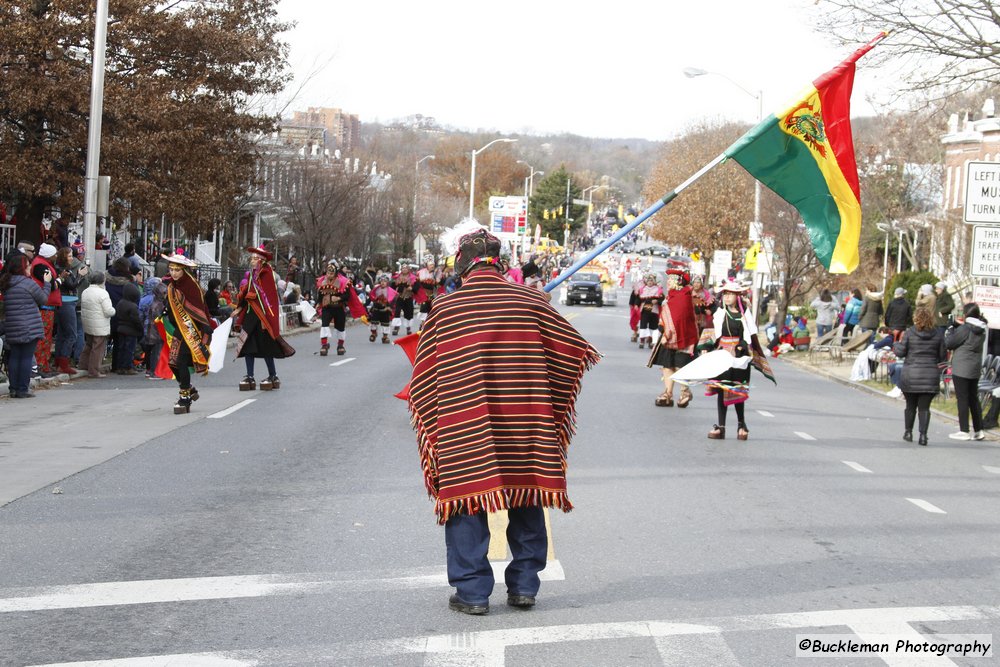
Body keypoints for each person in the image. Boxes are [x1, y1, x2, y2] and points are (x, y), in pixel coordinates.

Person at [407, 228, 600, 615]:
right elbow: (573, 351)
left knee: (466, 498)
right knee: (527, 493)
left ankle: (473, 593)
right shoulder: (530, 301)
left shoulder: (446, 308)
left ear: (461, 263)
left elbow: (424, 376)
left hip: (467, 419)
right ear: (502, 261)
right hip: (526, 419)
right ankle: (525, 586)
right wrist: (539, 311)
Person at [707, 281, 774, 441]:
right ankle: (721, 426)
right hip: (722, 356)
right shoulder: (720, 314)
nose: (727, 297)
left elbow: (749, 337)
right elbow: (712, 333)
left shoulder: (745, 316)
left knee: (737, 391)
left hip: (739, 358)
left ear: (737, 297)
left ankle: (741, 424)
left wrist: (740, 348)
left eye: (730, 294)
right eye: (725, 294)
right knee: (722, 389)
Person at [232, 245, 295, 391]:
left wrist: (251, 297)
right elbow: (246, 292)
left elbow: (267, 296)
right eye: (252, 259)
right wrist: (239, 307)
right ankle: (249, 376)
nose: (252, 261)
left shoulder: (266, 273)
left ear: (261, 260)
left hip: (262, 316)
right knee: (247, 346)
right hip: (250, 314)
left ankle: (273, 375)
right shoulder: (252, 275)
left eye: (255, 259)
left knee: (267, 346)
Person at [162, 253, 213, 413]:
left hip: (192, 329)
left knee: (181, 361)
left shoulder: (191, 285)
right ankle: (189, 388)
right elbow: (171, 307)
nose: (174, 273)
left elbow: (199, 308)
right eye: (171, 269)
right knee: (173, 362)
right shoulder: (171, 286)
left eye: (177, 270)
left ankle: (184, 398)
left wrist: (204, 327)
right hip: (179, 327)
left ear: (184, 270)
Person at [893, 307, 946, 446]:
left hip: (911, 374)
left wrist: (895, 344)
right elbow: (942, 356)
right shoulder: (938, 334)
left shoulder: (910, 332)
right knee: (924, 408)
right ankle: (923, 435)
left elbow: (901, 352)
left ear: (915, 318)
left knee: (910, 406)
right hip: (930, 374)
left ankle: (908, 432)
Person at [0, 255, 51, 397]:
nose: (30, 267)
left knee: (15, 356)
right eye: (28, 265)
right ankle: (22, 389)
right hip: (29, 325)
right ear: (22, 268)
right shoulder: (28, 284)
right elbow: (43, 299)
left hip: (12, 325)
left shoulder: (7, 283)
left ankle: (14, 388)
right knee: (26, 357)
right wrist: (47, 283)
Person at [649, 269, 697, 407]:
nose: (668, 282)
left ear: (679, 282)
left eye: (671, 279)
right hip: (668, 336)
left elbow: (679, 318)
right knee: (667, 364)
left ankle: (685, 392)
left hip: (683, 336)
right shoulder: (671, 296)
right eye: (668, 279)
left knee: (680, 365)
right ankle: (668, 393)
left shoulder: (684, 296)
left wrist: (668, 334)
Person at [945, 302, 988, 441]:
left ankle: (964, 430)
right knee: (973, 399)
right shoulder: (982, 329)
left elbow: (950, 343)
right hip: (974, 367)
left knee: (962, 399)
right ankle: (979, 429)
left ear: (966, 314)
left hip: (961, 367)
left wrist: (952, 329)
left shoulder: (965, 329)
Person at [314, 260, 367, 355]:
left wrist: (338, 298)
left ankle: (340, 345)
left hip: (338, 307)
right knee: (324, 325)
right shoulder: (322, 281)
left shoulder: (343, 282)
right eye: (328, 273)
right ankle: (324, 345)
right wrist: (318, 303)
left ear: (335, 273)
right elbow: (320, 295)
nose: (329, 275)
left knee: (340, 327)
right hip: (327, 307)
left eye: (331, 273)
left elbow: (347, 296)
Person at [29, 243, 62, 377]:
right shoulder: (40, 266)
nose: (56, 256)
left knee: (46, 336)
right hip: (45, 306)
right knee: (43, 337)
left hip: (47, 305)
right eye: (54, 254)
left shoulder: (40, 263)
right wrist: (60, 280)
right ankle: (41, 365)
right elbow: (51, 284)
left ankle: (44, 365)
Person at [52, 246, 83, 375]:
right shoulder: (63, 270)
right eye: (69, 256)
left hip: (63, 301)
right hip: (67, 302)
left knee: (62, 334)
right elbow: (71, 285)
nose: (72, 258)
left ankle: (58, 361)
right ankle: (64, 362)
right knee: (71, 334)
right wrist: (80, 276)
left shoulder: (63, 269)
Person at [79, 271, 115, 378]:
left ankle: (83, 365)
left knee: (89, 345)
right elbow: (108, 311)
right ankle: (94, 370)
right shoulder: (103, 293)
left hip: (88, 322)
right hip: (100, 324)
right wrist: (114, 310)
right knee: (98, 348)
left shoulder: (85, 291)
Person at [138, 277, 166, 380]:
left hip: (146, 327)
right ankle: (154, 371)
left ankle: (148, 370)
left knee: (148, 350)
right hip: (155, 329)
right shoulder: (157, 301)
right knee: (156, 350)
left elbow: (140, 315)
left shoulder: (143, 299)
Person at [113, 282, 142, 375]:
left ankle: (120, 367)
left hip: (121, 328)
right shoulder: (133, 306)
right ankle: (128, 366)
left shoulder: (120, 303)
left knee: (121, 348)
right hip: (131, 331)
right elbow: (136, 320)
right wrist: (141, 329)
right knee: (129, 349)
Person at [636, 272, 665, 349]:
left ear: (654, 281)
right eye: (648, 280)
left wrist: (657, 301)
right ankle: (642, 341)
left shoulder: (658, 290)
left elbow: (662, 300)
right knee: (643, 325)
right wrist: (636, 305)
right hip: (645, 309)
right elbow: (638, 299)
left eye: (651, 281)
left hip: (654, 310)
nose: (650, 282)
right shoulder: (643, 289)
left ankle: (651, 341)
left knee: (654, 327)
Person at [367, 272, 396, 343]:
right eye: (381, 281)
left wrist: (390, 307)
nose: (383, 283)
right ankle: (374, 333)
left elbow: (393, 300)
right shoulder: (376, 289)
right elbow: (371, 296)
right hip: (376, 308)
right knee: (373, 322)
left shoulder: (390, 291)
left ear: (387, 282)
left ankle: (385, 336)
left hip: (385, 309)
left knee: (385, 324)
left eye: (385, 281)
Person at [415, 255, 442, 330]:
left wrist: (437, 280)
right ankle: (423, 326)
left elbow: (440, 284)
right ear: (426, 265)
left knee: (432, 311)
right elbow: (417, 284)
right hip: (424, 295)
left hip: (433, 295)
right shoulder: (421, 273)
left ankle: (431, 326)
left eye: (433, 265)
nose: (432, 266)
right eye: (430, 265)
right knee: (423, 311)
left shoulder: (437, 272)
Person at [391, 262, 417, 336]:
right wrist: (396, 288)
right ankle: (396, 327)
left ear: (408, 269)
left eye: (406, 268)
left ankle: (408, 328)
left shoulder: (413, 277)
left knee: (408, 313)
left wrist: (412, 288)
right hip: (400, 297)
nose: (404, 269)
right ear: (401, 269)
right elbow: (392, 287)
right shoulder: (397, 277)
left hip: (408, 297)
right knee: (397, 311)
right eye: (403, 268)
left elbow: (416, 288)